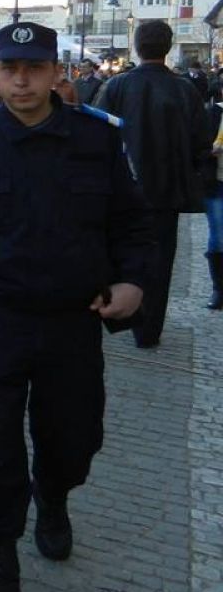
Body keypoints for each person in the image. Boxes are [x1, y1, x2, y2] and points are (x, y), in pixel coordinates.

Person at [0, 22, 154, 592]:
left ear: (56, 73)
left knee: (73, 439)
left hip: (73, 322)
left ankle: (53, 495)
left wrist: (133, 282)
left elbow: (132, 223)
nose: (21, 80)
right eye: (9, 69)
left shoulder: (97, 138)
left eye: (34, 68)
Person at [93, 20, 212, 348]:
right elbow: (201, 142)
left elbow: (97, 132)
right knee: (160, 262)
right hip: (166, 192)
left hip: (122, 189)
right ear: (169, 47)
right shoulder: (185, 90)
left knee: (117, 250)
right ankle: (148, 330)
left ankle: (117, 314)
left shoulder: (117, 85)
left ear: (136, 46)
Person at [207, 83, 223, 310]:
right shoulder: (215, 112)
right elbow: (201, 145)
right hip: (218, 181)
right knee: (219, 236)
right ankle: (219, 288)